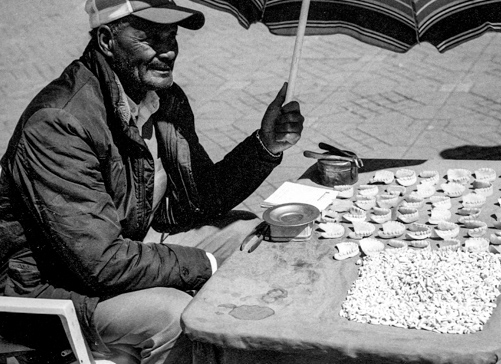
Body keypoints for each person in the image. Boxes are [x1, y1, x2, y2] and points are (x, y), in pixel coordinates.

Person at [0, 0, 304, 363]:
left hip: (126, 247)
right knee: (173, 316)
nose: (169, 50)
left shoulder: (163, 99)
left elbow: (201, 198)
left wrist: (264, 146)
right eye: (151, 37)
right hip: (49, 294)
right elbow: (101, 264)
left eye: (172, 35)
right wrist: (201, 264)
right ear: (107, 40)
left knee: (250, 236)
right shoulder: (59, 123)